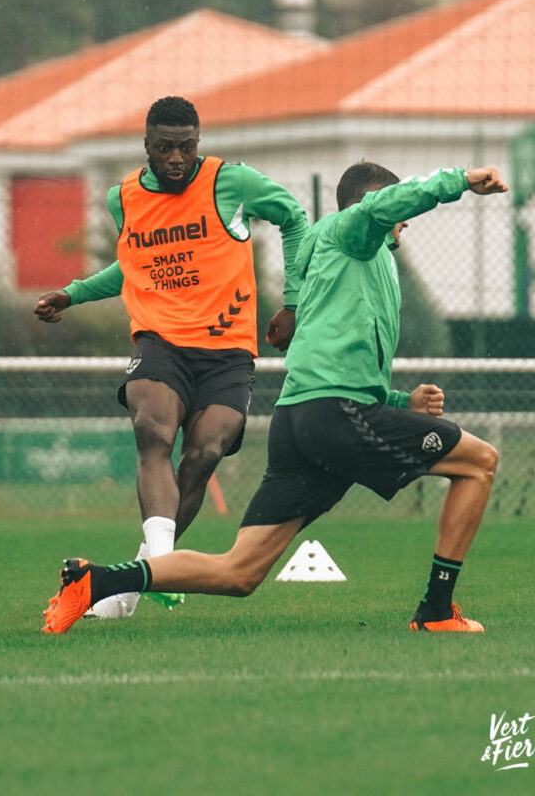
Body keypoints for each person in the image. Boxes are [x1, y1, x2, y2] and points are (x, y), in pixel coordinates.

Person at [42, 162, 507, 635]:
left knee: (239, 572)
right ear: (370, 205)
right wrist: (460, 181)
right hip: (337, 415)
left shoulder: (352, 259)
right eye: (396, 209)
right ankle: (436, 611)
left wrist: (398, 400)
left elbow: (335, 359)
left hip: (302, 419)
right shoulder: (353, 230)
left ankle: (95, 581)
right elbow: (386, 206)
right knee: (479, 461)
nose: (404, 220)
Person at [33, 96, 307, 618]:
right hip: (160, 343)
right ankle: (163, 563)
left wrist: (292, 302)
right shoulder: (125, 198)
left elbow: (294, 218)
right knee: (153, 433)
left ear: (198, 143)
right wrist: (74, 293)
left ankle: (130, 588)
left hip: (228, 351)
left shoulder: (233, 182)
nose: (177, 158)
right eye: (165, 148)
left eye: (187, 147)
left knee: (204, 453)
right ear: (147, 147)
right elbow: (133, 268)